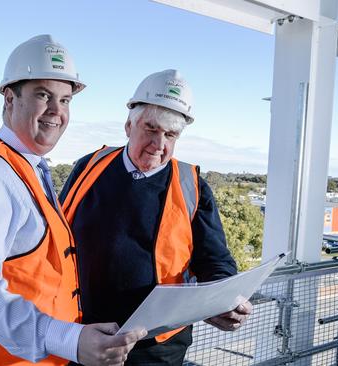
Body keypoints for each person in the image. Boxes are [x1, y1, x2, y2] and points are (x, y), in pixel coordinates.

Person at [0, 34, 145, 366]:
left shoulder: (28, 168)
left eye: (65, 100)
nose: (56, 111)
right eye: (43, 95)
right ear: (9, 97)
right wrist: (70, 339)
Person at [59, 69, 253, 365]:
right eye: (151, 129)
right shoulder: (89, 167)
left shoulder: (192, 186)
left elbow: (214, 260)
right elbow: (55, 233)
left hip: (156, 347)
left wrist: (222, 302)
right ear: (128, 125)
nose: (159, 143)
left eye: (170, 134)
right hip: (83, 334)